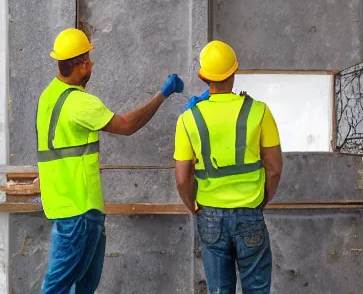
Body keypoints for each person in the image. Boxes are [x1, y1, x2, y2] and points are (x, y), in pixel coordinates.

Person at [37, 28, 184, 294]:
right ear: (80, 65)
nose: (92, 64)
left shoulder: (48, 97)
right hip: (80, 210)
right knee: (56, 289)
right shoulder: (80, 103)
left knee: (80, 287)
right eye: (88, 59)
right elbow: (127, 125)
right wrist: (162, 95)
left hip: (63, 206)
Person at [175, 40, 283, 294]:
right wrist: (261, 200)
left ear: (203, 76)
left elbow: (182, 179)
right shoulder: (260, 111)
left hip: (210, 214)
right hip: (249, 210)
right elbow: (275, 168)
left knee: (219, 290)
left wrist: (194, 207)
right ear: (233, 73)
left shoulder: (188, 119)